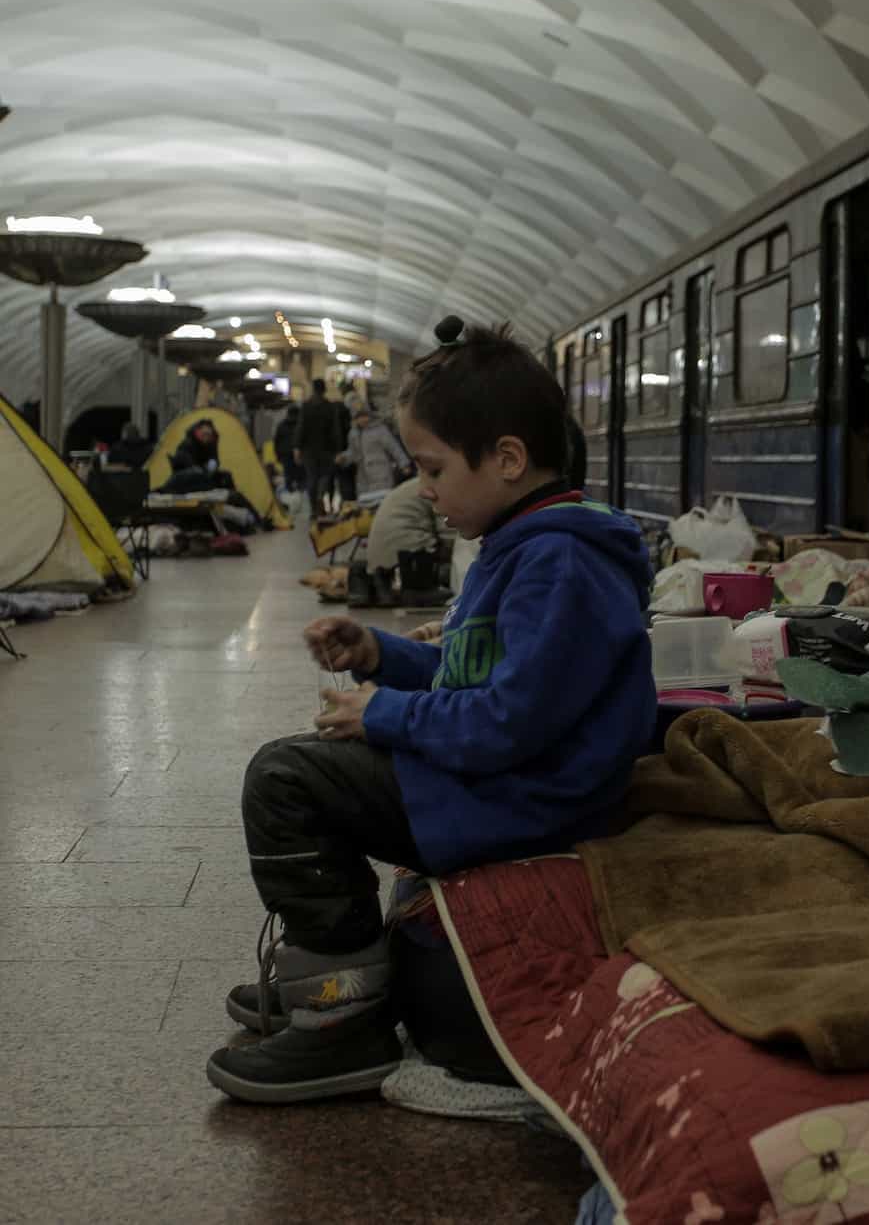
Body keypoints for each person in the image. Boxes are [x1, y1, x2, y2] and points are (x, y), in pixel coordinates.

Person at [206, 317, 657, 1103]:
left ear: (508, 460)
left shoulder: (560, 564)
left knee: (287, 781)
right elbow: (470, 674)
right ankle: (330, 979)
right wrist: (384, 656)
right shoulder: (524, 546)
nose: (422, 488)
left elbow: (509, 722)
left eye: (434, 467)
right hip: (508, 778)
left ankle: (343, 1019)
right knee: (306, 774)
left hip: (528, 799)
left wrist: (384, 715)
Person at [347, 475, 454, 607]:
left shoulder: (416, 483)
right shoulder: (437, 487)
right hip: (408, 548)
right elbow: (447, 531)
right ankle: (419, 590)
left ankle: (387, 589)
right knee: (447, 551)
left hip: (379, 553)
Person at [336, 405, 411, 498]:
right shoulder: (353, 433)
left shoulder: (380, 430)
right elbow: (353, 452)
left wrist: (404, 464)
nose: (362, 420)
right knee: (367, 503)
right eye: (359, 417)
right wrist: (344, 458)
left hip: (381, 472)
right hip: (363, 477)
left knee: (383, 499)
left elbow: (393, 447)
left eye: (364, 416)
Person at [294, 378, 342, 516]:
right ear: (324, 390)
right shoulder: (330, 407)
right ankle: (321, 496)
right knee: (325, 476)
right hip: (327, 449)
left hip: (309, 450)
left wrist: (297, 447)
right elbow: (335, 430)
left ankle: (314, 507)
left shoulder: (306, 406)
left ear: (313, 389)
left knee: (311, 477)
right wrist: (337, 449)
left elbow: (300, 427)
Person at [272, 405, 303, 496]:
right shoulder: (300, 425)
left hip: (285, 455)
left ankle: (290, 497)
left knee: (288, 477)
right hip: (298, 455)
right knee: (300, 478)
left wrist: (277, 455)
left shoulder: (281, 425)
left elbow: (276, 442)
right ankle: (299, 497)